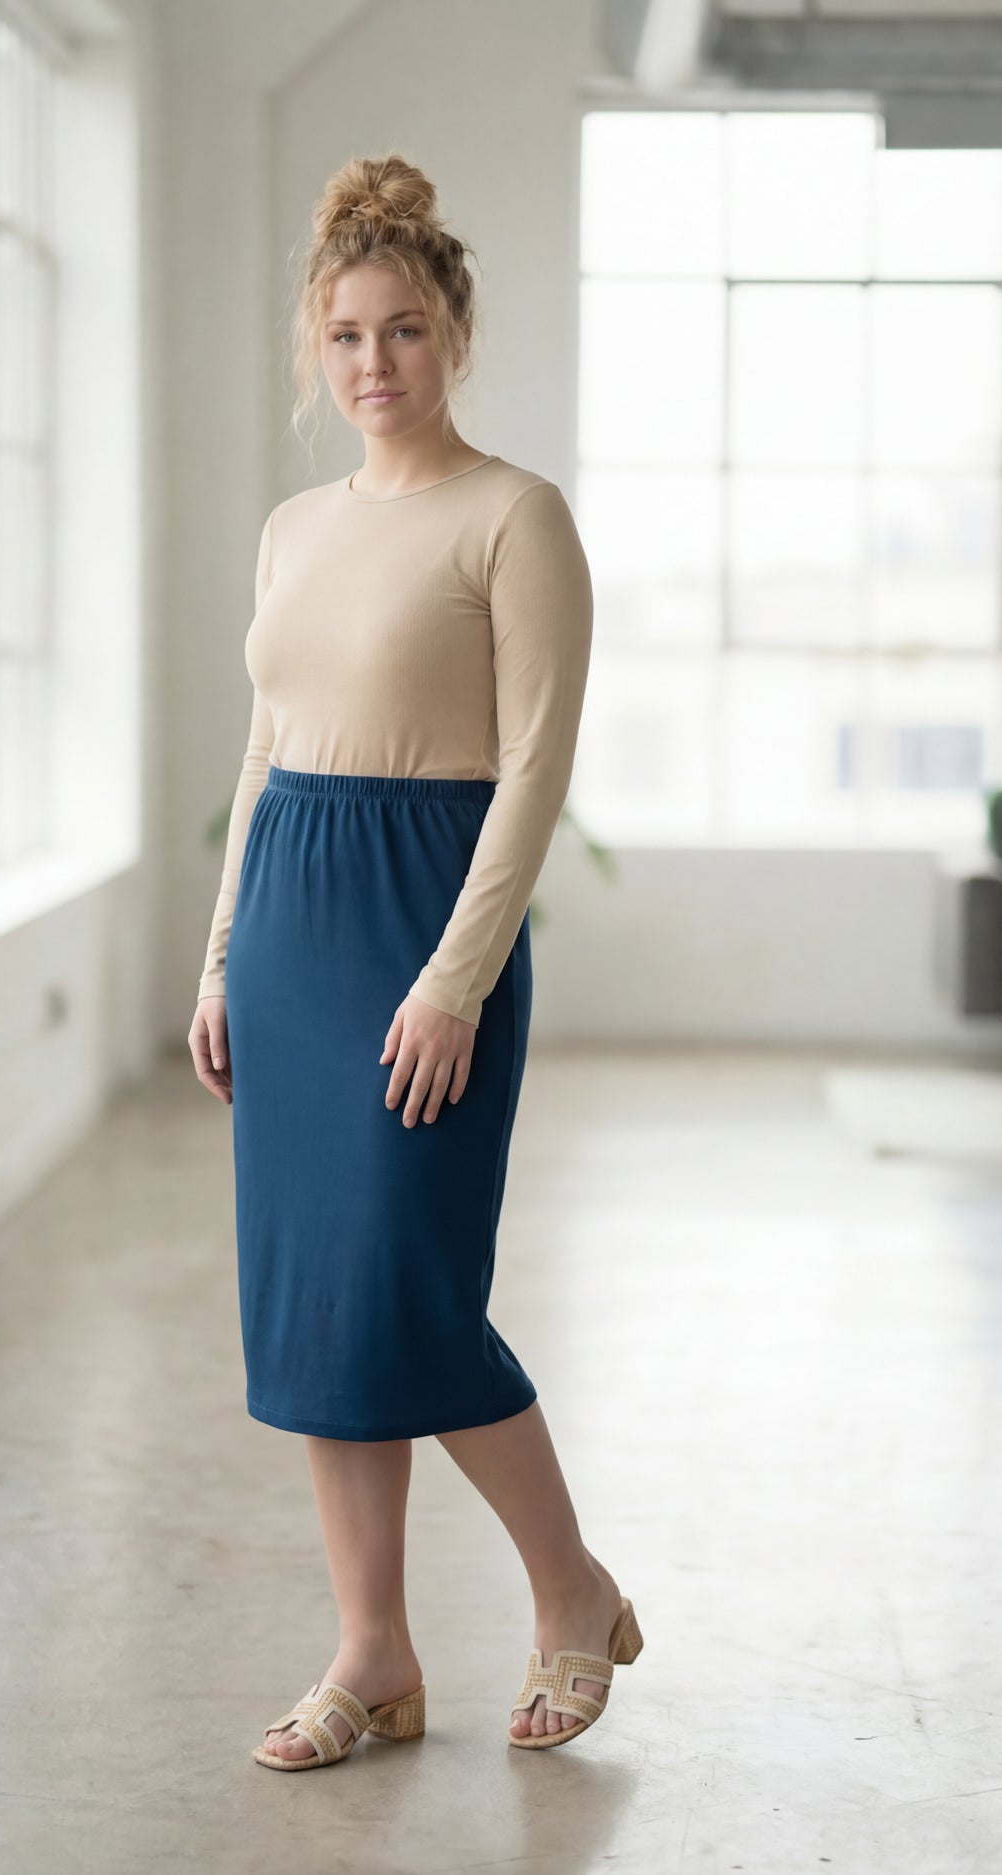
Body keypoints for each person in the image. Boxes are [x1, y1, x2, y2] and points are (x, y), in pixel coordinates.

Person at [189, 153, 642, 1771]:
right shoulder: (292, 528)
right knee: (320, 1307)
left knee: (409, 1293)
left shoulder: (514, 517)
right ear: (315, 350)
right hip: (292, 929)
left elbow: (532, 770)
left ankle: (572, 1589)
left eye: (401, 329)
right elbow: (263, 752)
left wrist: (453, 979)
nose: (371, 361)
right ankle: (372, 1656)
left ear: (453, 332)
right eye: (343, 335)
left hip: (424, 912)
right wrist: (221, 958)